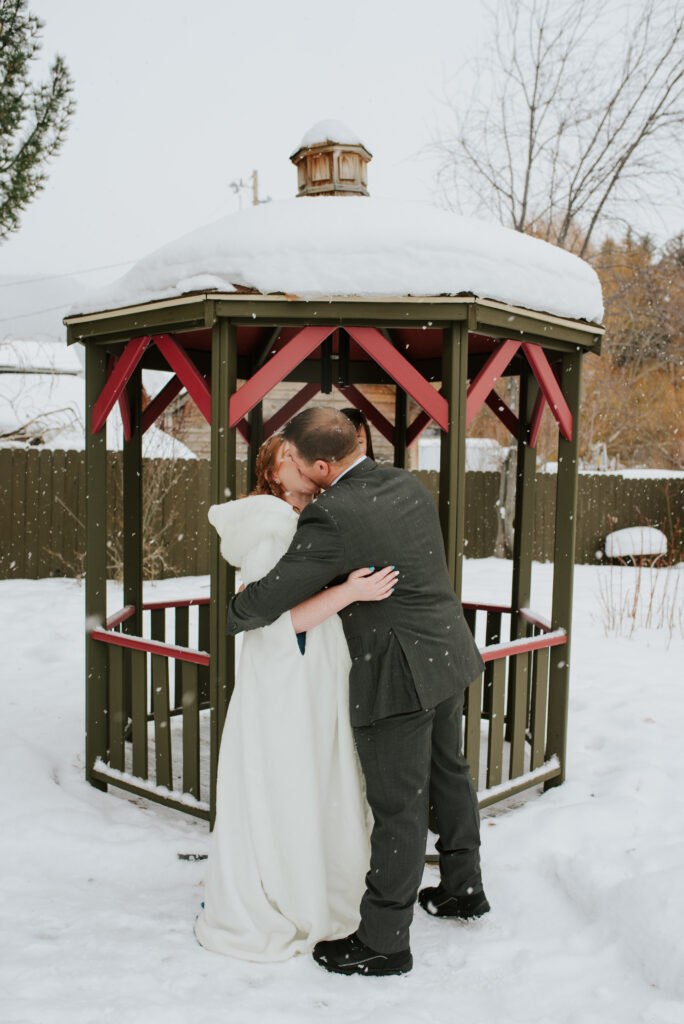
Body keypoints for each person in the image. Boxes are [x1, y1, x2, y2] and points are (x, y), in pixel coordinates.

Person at [226, 408, 488, 978]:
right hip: (448, 653)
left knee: (398, 805)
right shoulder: (404, 482)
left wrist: (238, 605)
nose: (289, 464)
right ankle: (463, 888)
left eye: (295, 457)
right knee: (449, 774)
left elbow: (263, 605)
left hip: (399, 673)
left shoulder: (332, 515)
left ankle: (384, 941)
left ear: (321, 465)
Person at [194, 435, 398, 962]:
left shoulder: (313, 519)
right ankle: (296, 894)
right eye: (289, 455)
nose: (301, 463)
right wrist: (350, 592)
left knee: (318, 777)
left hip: (313, 673)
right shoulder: (273, 523)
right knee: (295, 780)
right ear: (277, 466)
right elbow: (276, 623)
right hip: (289, 680)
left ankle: (321, 884)